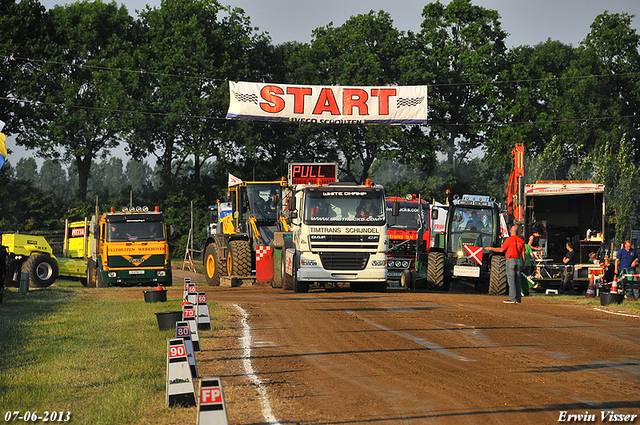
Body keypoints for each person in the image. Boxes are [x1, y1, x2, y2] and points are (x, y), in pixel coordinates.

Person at [485, 224, 525, 304]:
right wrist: (523, 262)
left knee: (511, 280)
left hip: (510, 260)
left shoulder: (509, 240)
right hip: (518, 260)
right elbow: (523, 253)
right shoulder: (521, 241)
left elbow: (501, 250)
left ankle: (512, 298)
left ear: (511, 231)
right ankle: (518, 299)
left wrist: (491, 248)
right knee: (517, 280)